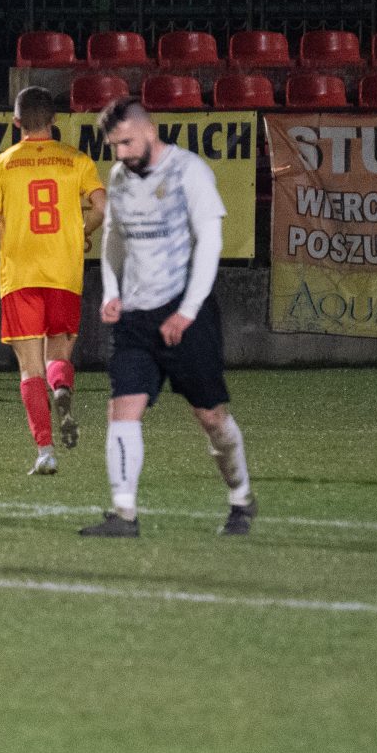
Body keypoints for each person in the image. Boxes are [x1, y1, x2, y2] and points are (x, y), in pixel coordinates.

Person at [90, 96, 255, 539]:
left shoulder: (189, 172)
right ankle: (124, 514)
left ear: (150, 130)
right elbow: (112, 238)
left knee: (211, 417)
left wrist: (186, 311)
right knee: (123, 410)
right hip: (135, 318)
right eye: (114, 146)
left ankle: (241, 497)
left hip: (186, 314)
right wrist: (112, 292)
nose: (121, 153)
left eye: (127, 142)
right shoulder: (120, 177)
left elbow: (211, 243)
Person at [0, 87, 106, 475]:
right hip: (64, 271)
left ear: (16, 122)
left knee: (29, 369)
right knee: (58, 355)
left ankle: (46, 451)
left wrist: (7, 223)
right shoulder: (76, 160)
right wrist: (82, 229)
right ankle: (61, 386)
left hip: (20, 275)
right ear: (54, 120)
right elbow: (103, 207)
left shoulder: (1, 164)